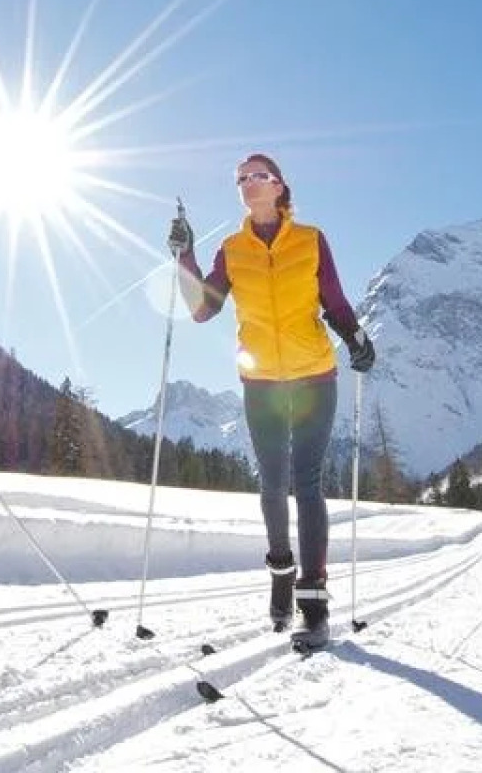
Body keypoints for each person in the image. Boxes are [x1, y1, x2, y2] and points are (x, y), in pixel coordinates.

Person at [167, 153, 374, 649]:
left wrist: (357, 338)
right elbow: (201, 310)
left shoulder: (310, 240)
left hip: (313, 378)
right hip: (260, 382)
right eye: (239, 177)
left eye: (257, 175)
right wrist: (185, 258)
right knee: (271, 485)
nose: (246, 182)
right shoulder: (232, 249)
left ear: (279, 187)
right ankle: (282, 569)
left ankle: (313, 604)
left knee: (306, 483)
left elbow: (335, 301)